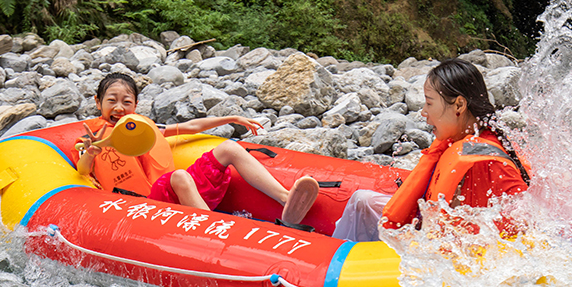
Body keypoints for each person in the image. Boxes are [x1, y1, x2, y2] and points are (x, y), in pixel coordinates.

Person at [77, 73, 319, 225]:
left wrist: (230, 118)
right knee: (180, 176)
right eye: (112, 100)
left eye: (126, 102)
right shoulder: (93, 136)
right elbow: (83, 169)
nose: (119, 107)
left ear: (136, 105)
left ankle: (286, 199)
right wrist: (91, 152)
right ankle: (217, 231)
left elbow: (190, 126)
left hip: (175, 192)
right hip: (147, 205)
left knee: (228, 148)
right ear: (98, 103)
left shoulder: (144, 128)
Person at [332, 58, 530, 241]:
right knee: (362, 201)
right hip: (430, 233)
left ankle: (328, 263)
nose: (424, 112)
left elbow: (516, 230)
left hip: (443, 252)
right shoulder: (461, 140)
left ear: (459, 105)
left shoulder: (489, 163)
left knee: (361, 202)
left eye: (429, 103)